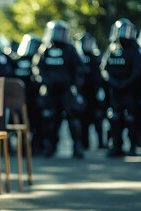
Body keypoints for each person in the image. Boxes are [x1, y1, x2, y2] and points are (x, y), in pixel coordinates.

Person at [31, 20, 87, 158]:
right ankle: (50, 146)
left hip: (67, 92)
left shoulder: (70, 50)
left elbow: (79, 69)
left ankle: (77, 147)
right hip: (50, 92)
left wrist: (75, 86)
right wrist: (45, 81)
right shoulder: (45, 49)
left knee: (73, 120)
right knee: (50, 120)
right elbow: (37, 68)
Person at [101, 18, 141, 156]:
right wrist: (113, 81)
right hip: (115, 91)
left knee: (131, 119)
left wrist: (126, 82)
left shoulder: (135, 49)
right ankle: (116, 145)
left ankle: (133, 146)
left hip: (131, 91)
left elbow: (138, 70)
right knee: (114, 118)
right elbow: (104, 68)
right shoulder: (112, 48)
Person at [76, 32, 107, 149]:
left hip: (94, 92)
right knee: (83, 120)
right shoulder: (77, 57)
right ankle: (85, 143)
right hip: (82, 93)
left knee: (98, 118)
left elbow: (101, 75)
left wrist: (101, 90)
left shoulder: (96, 57)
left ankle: (101, 142)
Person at [13, 34, 42, 152]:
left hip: (34, 98)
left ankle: (35, 145)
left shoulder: (38, 60)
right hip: (18, 100)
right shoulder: (16, 60)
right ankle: (23, 145)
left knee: (37, 121)